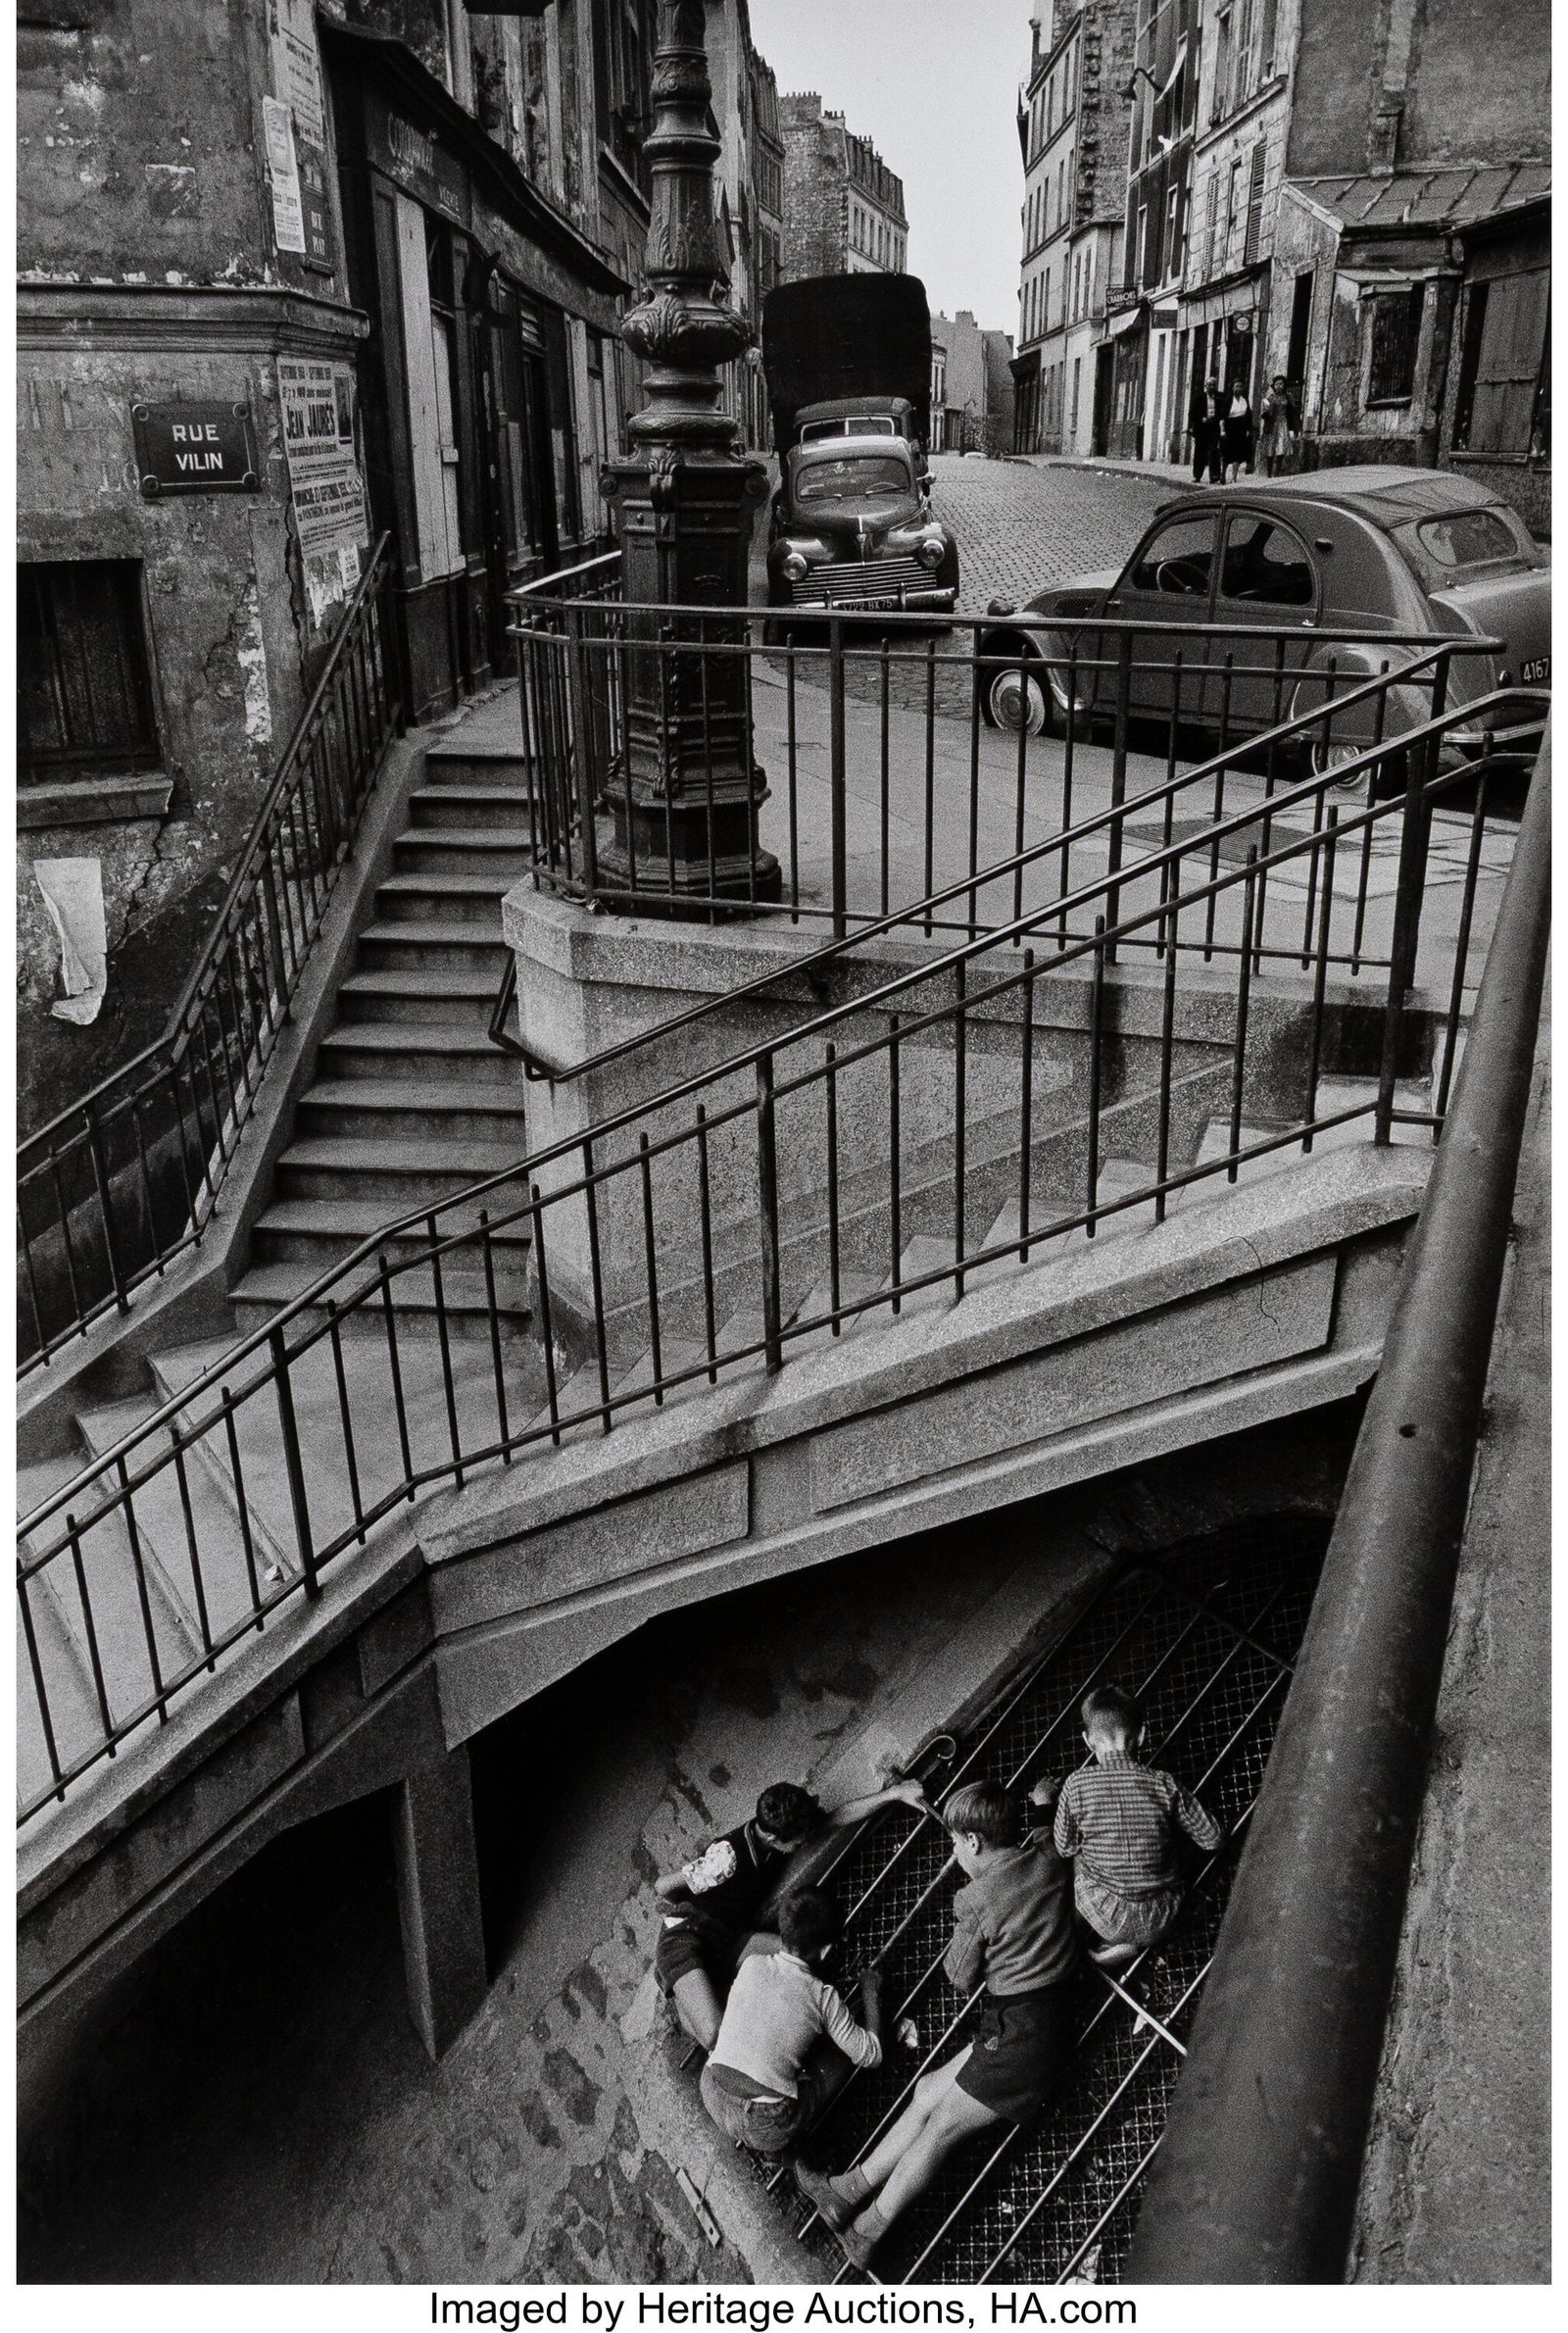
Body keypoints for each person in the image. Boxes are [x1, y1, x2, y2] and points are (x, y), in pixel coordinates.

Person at [795, 1780, 1079, 2271]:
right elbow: (1044, 1829)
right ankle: (845, 2192)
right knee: (928, 2092)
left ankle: (867, 2232)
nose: (952, 1850)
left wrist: (966, 1926)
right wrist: (1043, 1803)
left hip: (1022, 2040)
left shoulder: (977, 1899)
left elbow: (959, 1977)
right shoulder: (1047, 1854)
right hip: (1032, 2020)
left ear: (973, 1842)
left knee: (941, 2128)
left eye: (954, 1840)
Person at [652, 1775, 927, 2050]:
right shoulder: (726, 1859)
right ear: (773, 1837)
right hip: (687, 1938)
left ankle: (868, 2017)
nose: (802, 1846)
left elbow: (837, 1817)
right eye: (797, 1843)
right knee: (713, 2035)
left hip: (729, 1940)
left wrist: (894, 1793)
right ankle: (682, 1986)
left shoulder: (780, 1833)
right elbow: (663, 1886)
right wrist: (693, 1904)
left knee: (803, 1957)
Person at [1048, 1684, 1223, 1970]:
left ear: (1088, 1741)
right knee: (1172, 1842)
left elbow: (1064, 1847)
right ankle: (1145, 1941)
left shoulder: (1076, 1784)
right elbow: (1213, 1839)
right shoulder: (1163, 1783)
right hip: (1163, 1913)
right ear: (1142, 1735)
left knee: (1079, 1857)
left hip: (1106, 1915)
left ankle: (1102, 1943)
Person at [699, 1890, 883, 2158]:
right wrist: (870, 1995)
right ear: (826, 1950)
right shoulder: (822, 1996)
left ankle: (773, 2142)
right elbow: (871, 2055)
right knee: (834, 2063)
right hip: (762, 2124)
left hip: (711, 2088)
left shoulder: (753, 1963)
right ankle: (788, 2153)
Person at [1260, 374, 1300, 475]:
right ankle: (1269, 473)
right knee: (1271, 448)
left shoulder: (1288, 396)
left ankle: (1277, 472)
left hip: (1284, 423)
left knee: (1281, 447)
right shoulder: (1271, 397)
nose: (1278, 386)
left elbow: (1293, 412)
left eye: (1281, 384)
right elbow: (1264, 414)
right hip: (1272, 424)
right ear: (1274, 386)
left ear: (1284, 385)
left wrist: (1295, 428)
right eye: (1276, 384)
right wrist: (1266, 410)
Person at [1189, 375, 1225, 483]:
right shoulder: (1198, 398)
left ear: (1216, 386)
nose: (1211, 387)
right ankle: (1197, 475)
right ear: (1205, 386)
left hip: (1214, 427)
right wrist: (1201, 418)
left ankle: (1214, 475)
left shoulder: (1220, 397)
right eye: (1209, 385)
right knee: (1200, 452)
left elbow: (1224, 411)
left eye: (1213, 385)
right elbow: (1192, 414)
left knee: (1214, 451)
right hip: (1202, 428)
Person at [1221, 381, 1255, 481]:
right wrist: (1222, 430)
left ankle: (1233, 477)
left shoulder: (1244, 400)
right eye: (1236, 386)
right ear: (1232, 388)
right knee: (1227, 453)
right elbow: (1222, 416)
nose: (1239, 388)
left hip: (1241, 429)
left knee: (1238, 453)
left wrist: (1249, 429)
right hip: (1229, 428)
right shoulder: (1227, 400)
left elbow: (1248, 416)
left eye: (1241, 386)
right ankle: (1223, 473)